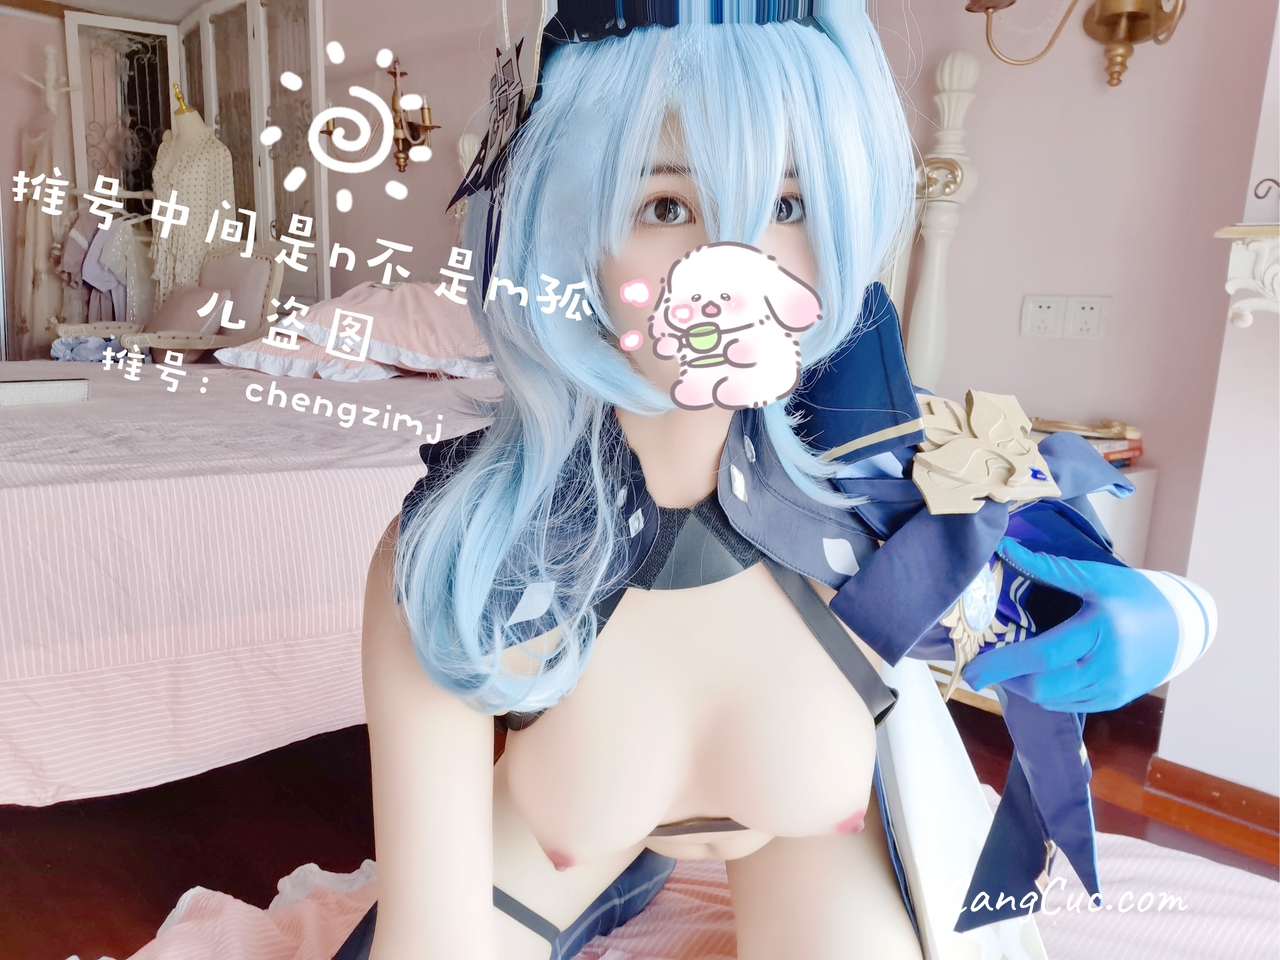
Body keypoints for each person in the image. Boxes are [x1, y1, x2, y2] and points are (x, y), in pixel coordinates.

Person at [344, 4, 1216, 959]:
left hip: (802, 838)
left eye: (789, 207)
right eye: (666, 207)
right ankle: (625, 862)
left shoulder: (878, 486)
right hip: (556, 838)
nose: (741, 266)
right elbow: (426, 938)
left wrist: (1174, 617)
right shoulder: (460, 554)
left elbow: (1072, 574)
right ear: (565, 230)